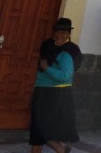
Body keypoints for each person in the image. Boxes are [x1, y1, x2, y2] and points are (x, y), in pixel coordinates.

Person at [30, 17, 82, 153]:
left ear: (69, 35)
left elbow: (65, 76)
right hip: (42, 91)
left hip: (57, 95)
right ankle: (61, 149)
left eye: (64, 33)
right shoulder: (48, 46)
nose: (60, 35)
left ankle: (61, 149)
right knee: (38, 129)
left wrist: (47, 68)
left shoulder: (69, 51)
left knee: (40, 129)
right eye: (58, 32)